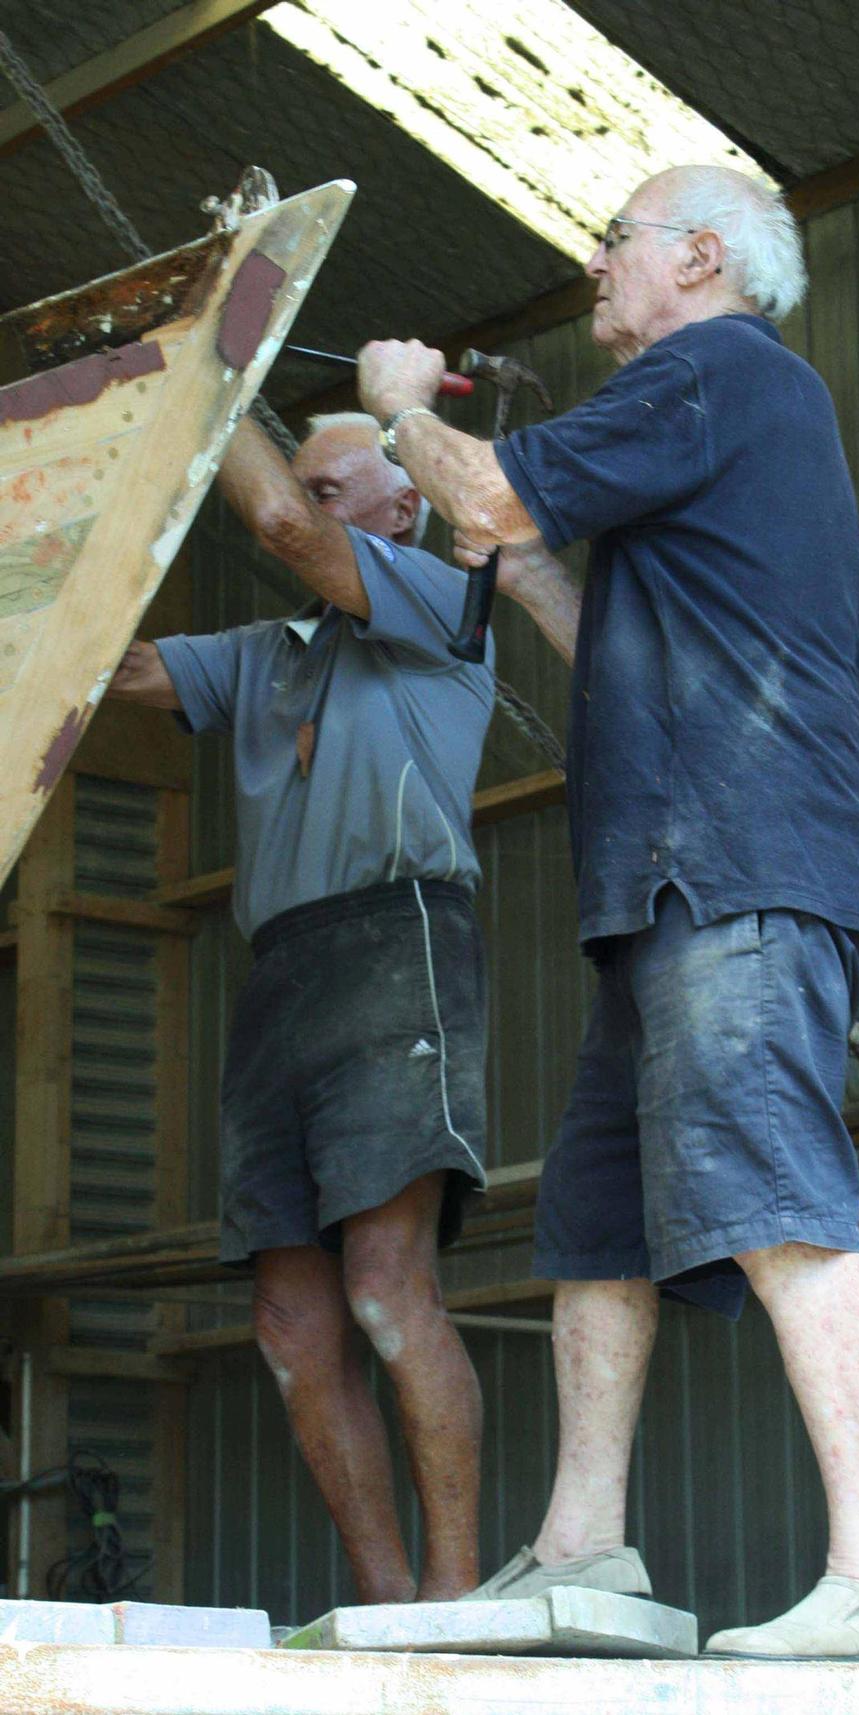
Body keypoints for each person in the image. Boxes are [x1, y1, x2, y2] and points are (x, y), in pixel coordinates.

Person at [355, 166, 859, 1660]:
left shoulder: (720, 366)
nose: (597, 269)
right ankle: (587, 1548)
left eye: (613, 240)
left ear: (701, 255)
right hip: (667, 879)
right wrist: (515, 549)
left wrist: (394, 414)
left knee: (776, 1194)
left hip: (739, 855)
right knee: (602, 1225)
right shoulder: (708, 415)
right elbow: (570, 602)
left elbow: (485, 485)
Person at [110, 410, 494, 1604]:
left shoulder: (439, 598)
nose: (308, 503)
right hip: (280, 970)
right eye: (311, 485)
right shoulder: (263, 651)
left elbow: (273, 518)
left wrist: (210, 388)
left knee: (386, 1282)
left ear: (400, 509)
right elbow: (115, 670)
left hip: (397, 936)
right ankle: (387, 1608)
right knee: (290, 1322)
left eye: (337, 488)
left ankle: (451, 1597)